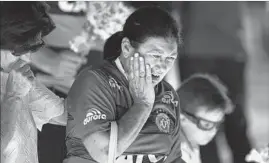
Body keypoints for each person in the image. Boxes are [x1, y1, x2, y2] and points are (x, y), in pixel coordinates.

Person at [64, 7, 185, 163]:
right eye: (155, 55)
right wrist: (143, 104)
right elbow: (104, 152)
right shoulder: (95, 80)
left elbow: (173, 160)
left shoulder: (168, 95)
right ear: (127, 48)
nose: (162, 67)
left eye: (170, 58)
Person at [0, 2, 66, 163]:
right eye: (21, 50)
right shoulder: (14, 85)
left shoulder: (14, 75)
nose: (28, 58)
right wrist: (12, 97)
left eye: (31, 49)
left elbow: (63, 115)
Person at [176, 74, 233, 163]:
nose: (213, 131)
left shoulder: (190, 141)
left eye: (218, 125)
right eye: (207, 125)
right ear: (182, 118)